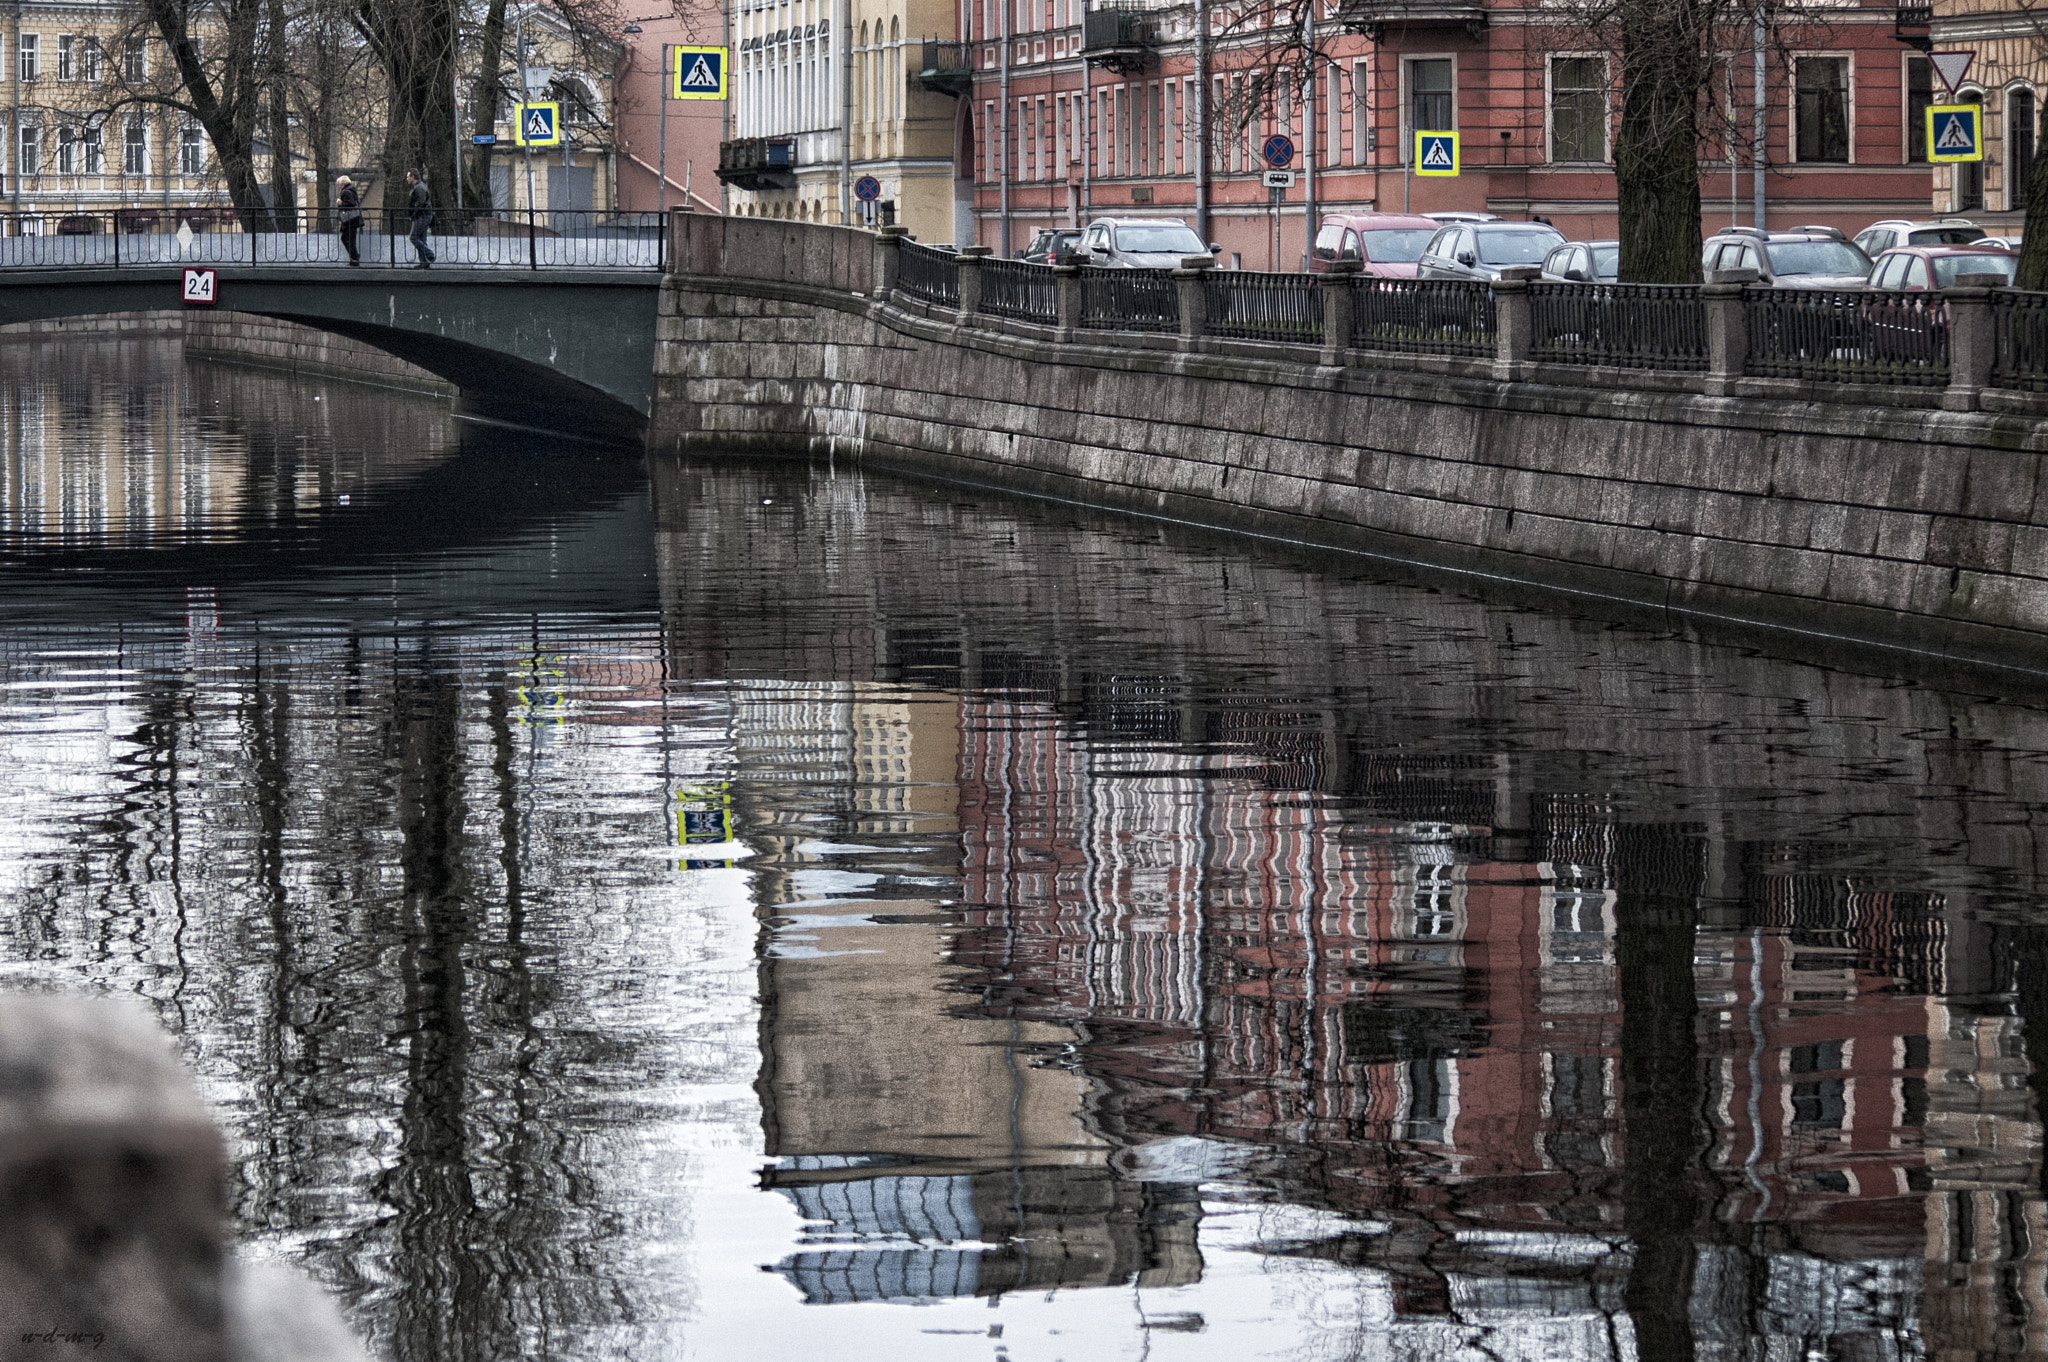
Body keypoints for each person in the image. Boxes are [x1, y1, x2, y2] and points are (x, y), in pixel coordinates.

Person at [405, 169, 435, 269]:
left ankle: (429, 254)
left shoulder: (419, 188)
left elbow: (421, 203)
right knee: (421, 239)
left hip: (422, 215)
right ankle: (424, 262)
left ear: (413, 177)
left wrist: (414, 213)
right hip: (423, 215)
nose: (407, 178)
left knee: (413, 237)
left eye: (408, 176)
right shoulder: (420, 186)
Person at [336, 176, 362, 265]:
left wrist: (340, 203)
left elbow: (350, 204)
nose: (338, 186)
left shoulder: (346, 191)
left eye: (339, 184)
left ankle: (354, 258)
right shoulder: (352, 189)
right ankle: (354, 257)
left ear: (343, 183)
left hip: (349, 220)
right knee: (350, 239)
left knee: (347, 239)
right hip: (353, 220)